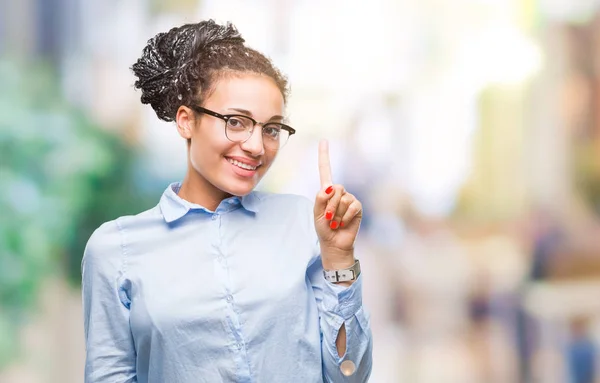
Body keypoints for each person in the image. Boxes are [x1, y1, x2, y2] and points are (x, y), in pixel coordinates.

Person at [82, 20, 373, 382]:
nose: (256, 146)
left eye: (270, 129)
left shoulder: (303, 224)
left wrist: (339, 258)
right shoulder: (117, 249)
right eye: (236, 122)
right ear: (186, 121)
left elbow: (349, 374)